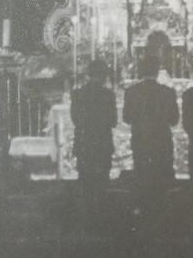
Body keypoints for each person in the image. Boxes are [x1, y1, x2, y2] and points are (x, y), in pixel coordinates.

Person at [123, 56, 179, 209]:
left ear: (141, 71)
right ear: (157, 71)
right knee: (161, 179)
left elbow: (126, 118)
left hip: (141, 140)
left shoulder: (131, 91)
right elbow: (174, 120)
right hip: (162, 142)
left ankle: (144, 213)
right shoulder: (167, 92)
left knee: (142, 177)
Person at [70, 60, 117, 206]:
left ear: (89, 75)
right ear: (103, 75)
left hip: (84, 143)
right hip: (102, 143)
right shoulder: (108, 95)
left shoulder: (77, 94)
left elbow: (75, 119)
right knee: (102, 184)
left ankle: (87, 214)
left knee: (85, 183)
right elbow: (113, 121)